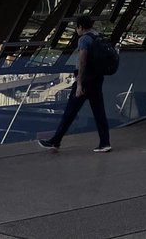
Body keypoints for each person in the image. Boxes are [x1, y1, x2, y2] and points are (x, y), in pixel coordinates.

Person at [37, 15, 111, 153]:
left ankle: (55, 141)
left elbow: (82, 61)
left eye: (77, 27)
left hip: (85, 80)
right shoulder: (97, 36)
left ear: (80, 27)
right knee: (99, 112)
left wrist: (79, 83)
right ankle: (105, 142)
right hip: (97, 78)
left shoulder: (84, 39)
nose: (77, 30)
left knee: (70, 111)